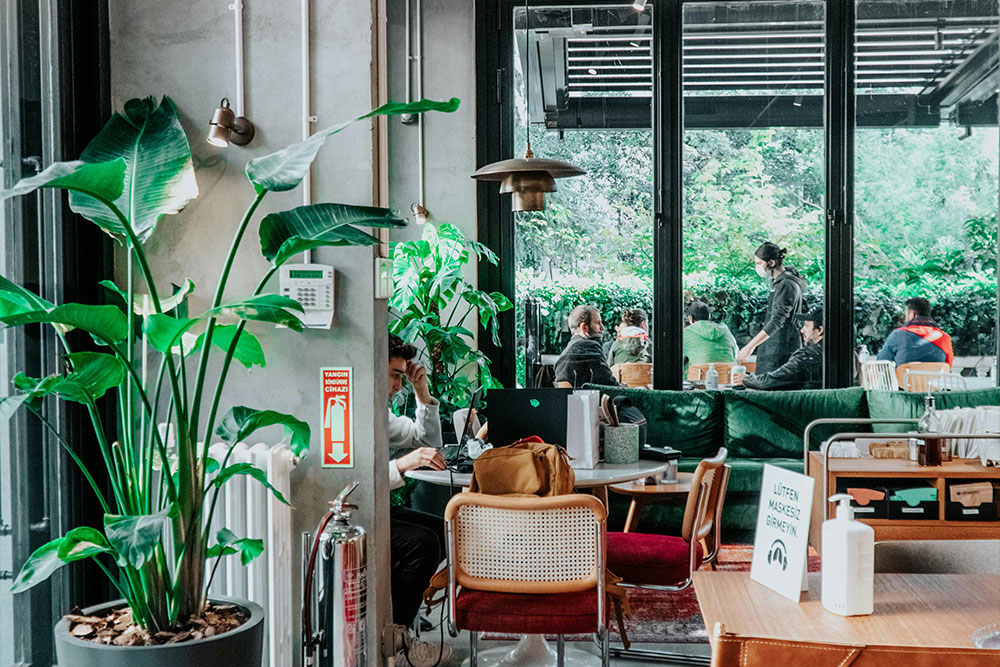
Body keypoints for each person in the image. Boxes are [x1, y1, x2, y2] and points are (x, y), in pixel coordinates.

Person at [385, 334, 453, 666]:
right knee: (423, 543)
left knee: (442, 530)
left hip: (379, 508)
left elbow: (426, 441)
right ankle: (394, 644)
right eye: (394, 375)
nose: (397, 384)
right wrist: (401, 464)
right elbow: (351, 480)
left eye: (400, 375)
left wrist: (421, 393)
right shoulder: (349, 409)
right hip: (354, 513)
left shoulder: (381, 414)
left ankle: (398, 630)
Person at [737, 242, 807, 374]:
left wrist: (750, 346)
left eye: (759, 263)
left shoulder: (786, 285)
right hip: (776, 350)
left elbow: (777, 321)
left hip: (780, 352)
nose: (756, 267)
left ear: (771, 263)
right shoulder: (783, 282)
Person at [741, 307, 824, 390]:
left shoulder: (806, 356)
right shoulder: (829, 353)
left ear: (819, 330)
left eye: (806, 326)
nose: (802, 330)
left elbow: (769, 382)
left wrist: (745, 379)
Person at [876, 297, 953, 366]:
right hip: (934, 381)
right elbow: (948, 367)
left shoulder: (898, 334)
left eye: (906, 314)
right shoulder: (944, 337)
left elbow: (881, 361)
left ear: (912, 314)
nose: (905, 318)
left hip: (903, 381)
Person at [554, 305, 619, 387]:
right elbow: (607, 382)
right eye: (598, 323)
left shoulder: (567, 350)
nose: (602, 328)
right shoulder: (588, 346)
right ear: (584, 327)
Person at [683, 301, 738, 370]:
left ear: (690, 318)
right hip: (727, 377)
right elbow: (735, 354)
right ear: (709, 316)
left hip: (699, 378)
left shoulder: (686, 333)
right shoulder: (724, 329)